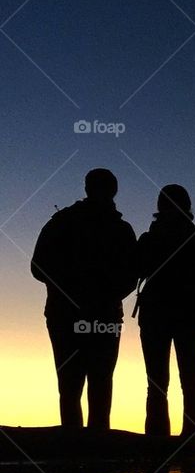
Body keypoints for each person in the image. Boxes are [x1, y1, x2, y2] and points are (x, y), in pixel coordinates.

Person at [30, 169, 137, 430]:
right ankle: (93, 448)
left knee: (71, 386)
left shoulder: (62, 222)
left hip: (68, 316)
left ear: (87, 188)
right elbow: (130, 278)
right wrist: (102, 296)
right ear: (114, 191)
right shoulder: (120, 229)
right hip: (98, 316)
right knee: (97, 385)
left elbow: (37, 267)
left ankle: (75, 447)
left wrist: (69, 290)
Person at [135, 185, 195, 442]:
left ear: (160, 207)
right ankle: (191, 439)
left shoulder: (150, 238)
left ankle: (157, 442)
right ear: (188, 206)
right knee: (190, 378)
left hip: (156, 314)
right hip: (189, 314)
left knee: (157, 382)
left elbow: (137, 269)